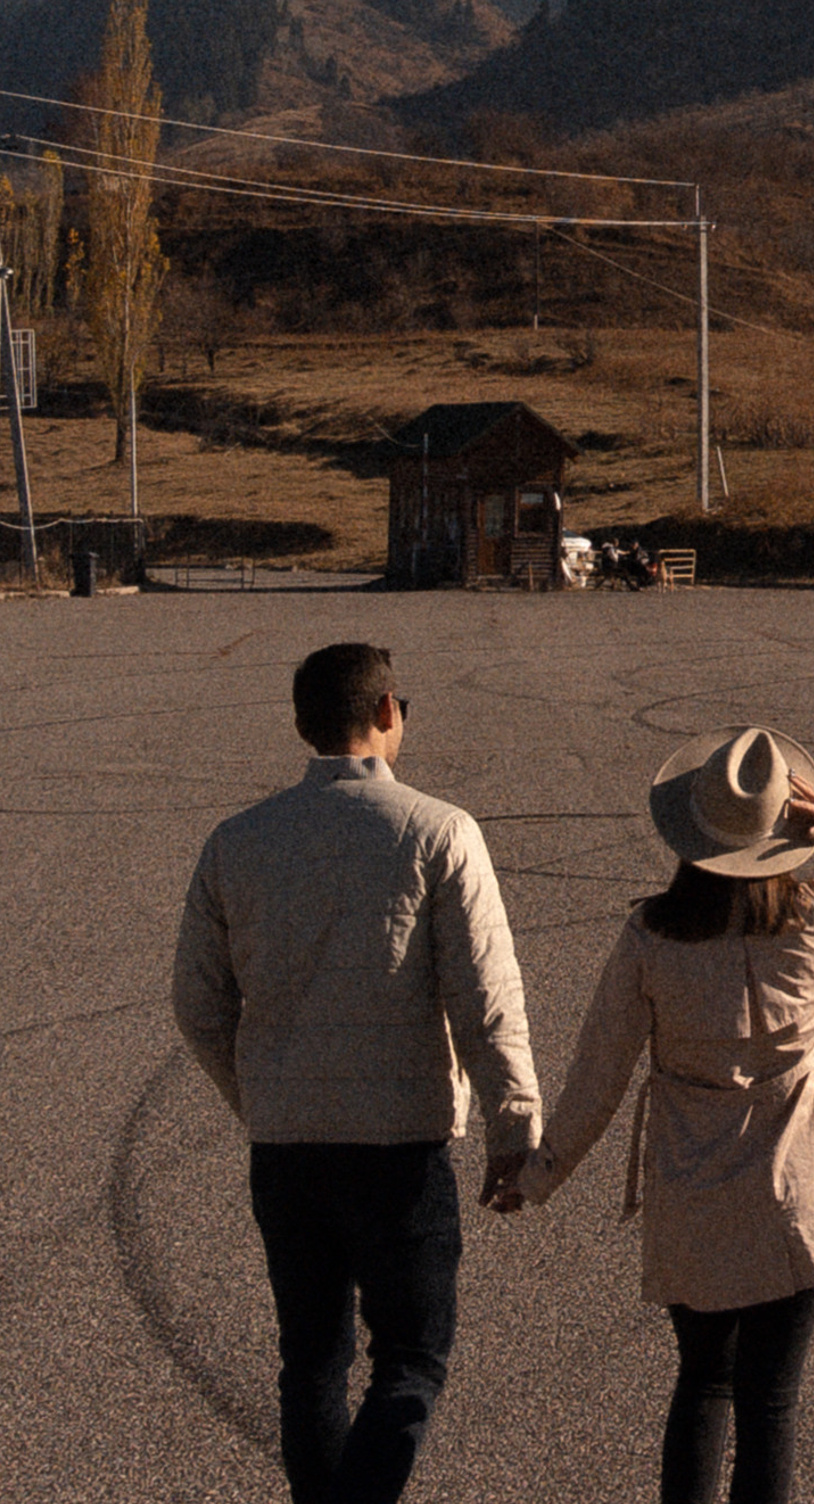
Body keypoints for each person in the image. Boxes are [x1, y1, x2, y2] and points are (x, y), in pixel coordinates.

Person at [172, 640, 542, 1504]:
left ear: (304, 725)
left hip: (287, 1147)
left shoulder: (236, 843)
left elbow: (197, 1005)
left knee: (310, 1358)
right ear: (386, 713)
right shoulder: (438, 831)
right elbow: (485, 998)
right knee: (410, 1360)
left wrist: (258, 1097)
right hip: (400, 1146)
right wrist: (513, 1128)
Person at [510, 725, 814, 1504]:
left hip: (694, 1199)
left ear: (690, 834)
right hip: (799, 1198)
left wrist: (538, 1174)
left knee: (703, 1386)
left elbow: (598, 1073)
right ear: (787, 834)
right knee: (771, 1402)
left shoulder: (652, 938)